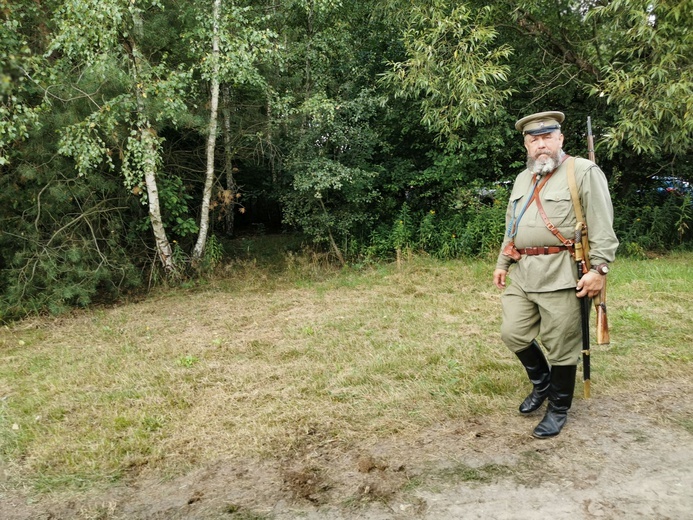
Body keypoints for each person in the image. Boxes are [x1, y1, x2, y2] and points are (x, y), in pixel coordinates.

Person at [492, 111, 618, 438]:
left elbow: (603, 228)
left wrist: (599, 269)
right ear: (526, 145)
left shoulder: (582, 172)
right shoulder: (523, 178)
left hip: (565, 273)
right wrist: (503, 262)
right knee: (513, 332)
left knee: (562, 344)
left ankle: (558, 407)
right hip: (524, 272)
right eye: (534, 139)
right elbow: (512, 223)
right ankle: (542, 383)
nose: (541, 144)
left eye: (548, 137)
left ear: (560, 139)